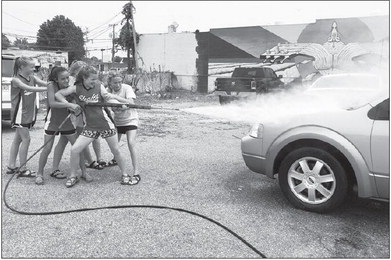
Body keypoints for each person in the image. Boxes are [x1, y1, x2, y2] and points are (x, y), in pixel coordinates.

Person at [55, 65, 140, 187]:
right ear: (84, 78)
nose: (95, 82)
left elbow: (108, 98)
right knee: (75, 149)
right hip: (90, 126)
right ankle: (73, 176)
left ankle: (125, 174)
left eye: (96, 79)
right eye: (92, 79)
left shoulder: (99, 86)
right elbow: (58, 94)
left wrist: (120, 104)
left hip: (106, 124)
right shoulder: (76, 88)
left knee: (115, 150)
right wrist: (70, 105)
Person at [35, 66, 90, 185]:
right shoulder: (51, 85)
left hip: (67, 122)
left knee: (77, 147)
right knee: (47, 148)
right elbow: (52, 103)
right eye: (63, 79)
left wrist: (75, 107)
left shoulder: (70, 88)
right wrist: (69, 105)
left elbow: (77, 103)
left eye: (67, 78)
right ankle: (39, 173)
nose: (66, 81)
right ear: (56, 79)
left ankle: (84, 172)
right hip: (52, 122)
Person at [52, 61, 107, 171]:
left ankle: (91, 161)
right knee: (71, 139)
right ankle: (58, 167)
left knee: (83, 137)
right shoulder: (71, 80)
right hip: (72, 113)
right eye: (81, 71)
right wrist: (71, 103)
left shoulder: (86, 82)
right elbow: (65, 94)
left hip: (81, 112)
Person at [6, 56, 47, 177]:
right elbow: (28, 88)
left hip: (27, 114)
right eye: (32, 67)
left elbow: (45, 83)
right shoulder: (16, 80)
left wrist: (54, 84)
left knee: (17, 139)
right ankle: (23, 168)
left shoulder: (32, 77)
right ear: (22, 67)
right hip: (19, 115)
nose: (34, 69)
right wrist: (48, 88)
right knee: (26, 139)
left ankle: (11, 166)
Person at [106, 72, 140, 181]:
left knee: (131, 143)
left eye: (120, 82)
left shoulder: (127, 88)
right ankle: (116, 159)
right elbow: (108, 107)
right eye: (115, 83)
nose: (118, 85)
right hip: (117, 121)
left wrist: (117, 100)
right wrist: (115, 108)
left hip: (130, 120)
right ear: (110, 83)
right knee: (114, 145)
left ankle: (136, 171)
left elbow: (131, 102)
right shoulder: (106, 91)